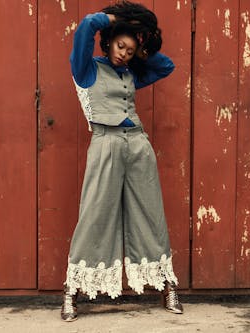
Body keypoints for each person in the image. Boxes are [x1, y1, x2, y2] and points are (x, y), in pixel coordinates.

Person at [61, 1, 183, 322]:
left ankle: (167, 286)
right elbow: (88, 24)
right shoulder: (86, 69)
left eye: (129, 50)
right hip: (106, 144)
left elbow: (165, 65)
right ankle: (72, 292)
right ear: (109, 40)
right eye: (120, 46)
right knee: (95, 214)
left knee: (150, 212)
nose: (123, 54)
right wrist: (117, 20)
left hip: (138, 146)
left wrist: (141, 47)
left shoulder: (130, 73)